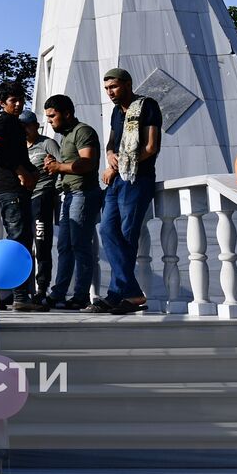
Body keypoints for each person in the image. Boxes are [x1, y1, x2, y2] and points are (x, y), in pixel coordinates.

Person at [91, 67, 162, 314]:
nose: (110, 92)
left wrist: (122, 165)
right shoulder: (115, 112)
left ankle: (116, 293)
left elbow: (151, 147)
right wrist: (110, 155)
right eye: (107, 88)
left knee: (126, 234)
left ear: (128, 84)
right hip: (117, 178)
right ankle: (130, 292)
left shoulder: (147, 105)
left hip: (137, 177)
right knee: (108, 229)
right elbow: (111, 142)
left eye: (114, 87)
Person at [0, 84, 39, 309]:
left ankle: (5, 295)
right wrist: (21, 171)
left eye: (20, 100)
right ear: (2, 103)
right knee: (19, 242)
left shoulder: (14, 124)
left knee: (20, 240)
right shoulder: (5, 121)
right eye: (13, 100)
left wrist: (31, 171)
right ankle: (19, 297)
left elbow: (13, 154)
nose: (18, 104)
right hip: (10, 189)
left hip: (15, 189)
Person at [42, 94, 101, 310]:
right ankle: (58, 293)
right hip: (69, 195)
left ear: (67, 113)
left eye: (52, 116)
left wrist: (59, 167)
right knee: (64, 246)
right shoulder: (65, 136)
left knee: (80, 246)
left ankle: (81, 296)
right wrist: (55, 164)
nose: (50, 121)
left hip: (83, 194)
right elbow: (70, 163)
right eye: (48, 117)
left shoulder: (83, 131)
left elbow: (88, 163)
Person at [20, 109, 61, 308]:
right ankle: (23, 290)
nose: (25, 130)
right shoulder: (18, 148)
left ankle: (42, 288)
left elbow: (62, 166)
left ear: (36, 125)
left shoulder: (47, 143)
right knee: (24, 245)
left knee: (42, 243)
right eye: (21, 127)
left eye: (28, 126)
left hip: (42, 196)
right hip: (23, 200)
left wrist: (56, 188)